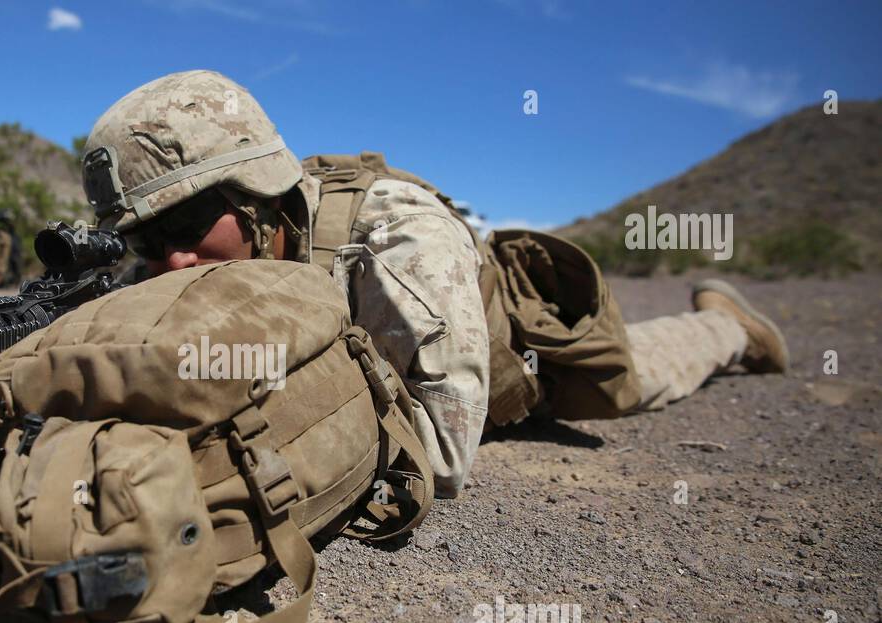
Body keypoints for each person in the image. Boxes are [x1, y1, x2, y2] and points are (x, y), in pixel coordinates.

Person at [79, 70, 789, 498]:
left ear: (256, 196)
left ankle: (728, 324)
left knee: (637, 375)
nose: (169, 263)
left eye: (189, 226)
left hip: (519, 357)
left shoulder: (397, 243)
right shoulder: (198, 256)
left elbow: (440, 457)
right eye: (144, 241)